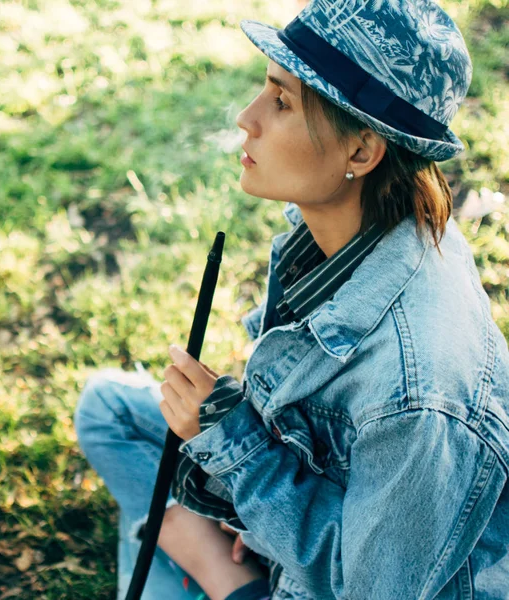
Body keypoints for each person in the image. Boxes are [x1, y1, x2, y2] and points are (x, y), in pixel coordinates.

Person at [74, 0, 509, 598]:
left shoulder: (419, 393)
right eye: (265, 89)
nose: (246, 119)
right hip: (282, 541)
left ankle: (217, 575)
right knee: (107, 409)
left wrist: (237, 453)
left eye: (281, 103)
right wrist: (255, 512)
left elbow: (369, 587)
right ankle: (201, 551)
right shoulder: (369, 227)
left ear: (361, 152)